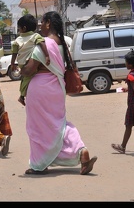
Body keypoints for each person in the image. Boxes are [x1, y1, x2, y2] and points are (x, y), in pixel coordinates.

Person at [20, 11, 97, 175]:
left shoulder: (44, 43)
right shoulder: (63, 42)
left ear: (48, 23)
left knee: (38, 127)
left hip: (40, 89)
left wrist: (20, 66)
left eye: (42, 22)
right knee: (59, 123)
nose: (40, 26)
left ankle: (39, 164)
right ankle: (81, 150)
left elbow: (29, 69)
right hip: (57, 88)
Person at [11, 14, 50, 106]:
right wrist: (47, 55)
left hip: (23, 64)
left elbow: (14, 53)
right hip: (30, 63)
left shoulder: (17, 40)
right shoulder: (36, 36)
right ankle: (22, 96)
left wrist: (13, 63)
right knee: (26, 79)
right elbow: (42, 44)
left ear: (23, 28)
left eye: (19, 28)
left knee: (25, 79)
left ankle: (22, 95)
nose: (19, 30)